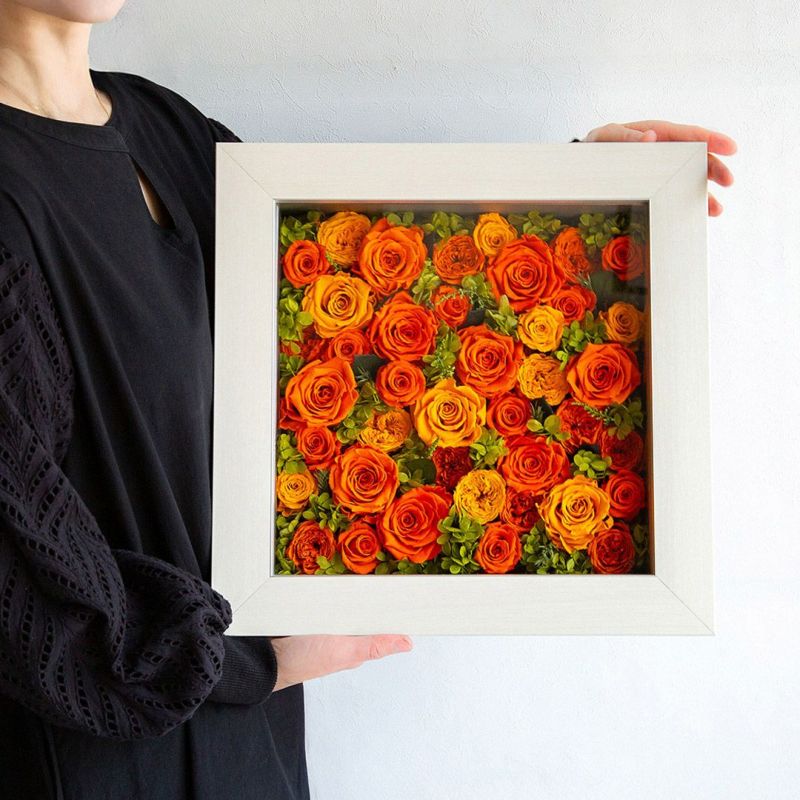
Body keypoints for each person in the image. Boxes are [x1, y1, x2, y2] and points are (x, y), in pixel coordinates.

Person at [0, 2, 736, 799]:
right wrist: (257, 662)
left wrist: (590, 202)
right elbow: (29, 599)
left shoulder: (171, 131)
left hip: (250, 747)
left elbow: (344, 321)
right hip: (95, 765)